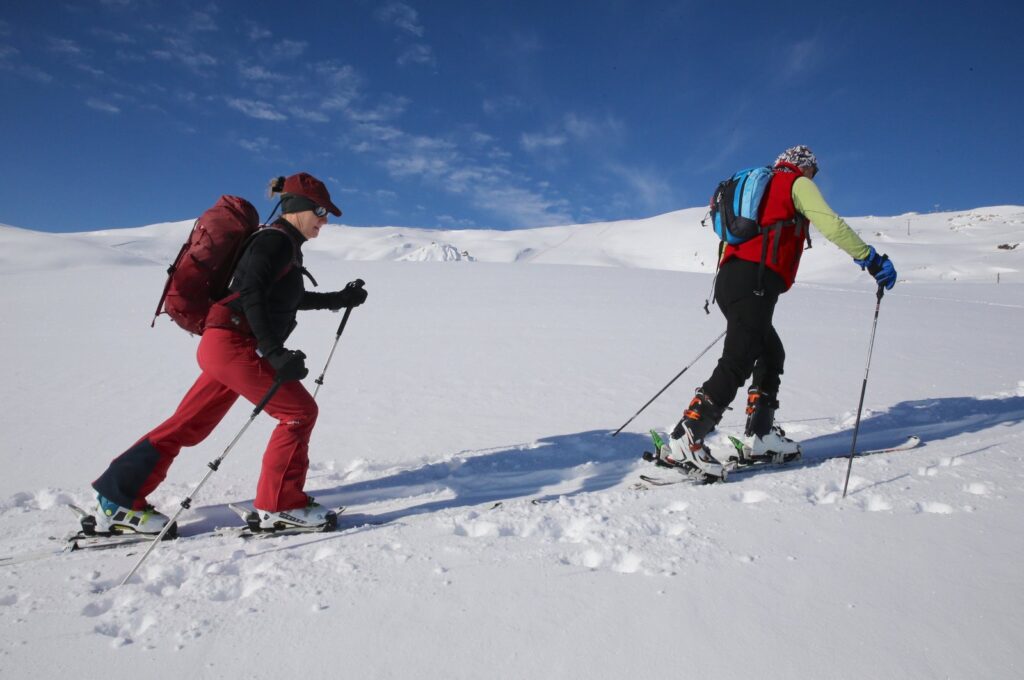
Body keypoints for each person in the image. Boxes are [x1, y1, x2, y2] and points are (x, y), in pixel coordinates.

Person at [91, 172, 369, 533]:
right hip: (233, 343)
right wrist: (273, 351)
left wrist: (339, 299)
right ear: (297, 206)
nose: (324, 220)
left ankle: (117, 497)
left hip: (225, 343)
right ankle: (280, 504)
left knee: (189, 424)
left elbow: (285, 298)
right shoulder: (275, 242)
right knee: (299, 412)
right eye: (319, 210)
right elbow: (251, 291)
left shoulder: (285, 245)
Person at [666, 145, 897, 480]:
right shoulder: (794, 183)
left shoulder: (757, 188)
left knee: (770, 353)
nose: (813, 178)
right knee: (739, 358)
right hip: (755, 281)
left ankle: (760, 436)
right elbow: (831, 224)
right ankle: (689, 435)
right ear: (805, 167)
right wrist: (871, 260)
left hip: (730, 281)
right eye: (813, 173)